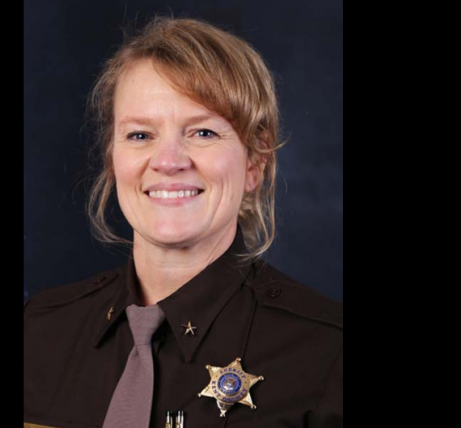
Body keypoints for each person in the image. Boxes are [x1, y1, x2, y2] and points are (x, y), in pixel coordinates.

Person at [24, 17, 342, 428]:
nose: (168, 161)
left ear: (255, 163)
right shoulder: (37, 331)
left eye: (203, 133)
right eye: (140, 135)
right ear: (112, 159)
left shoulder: (328, 354)